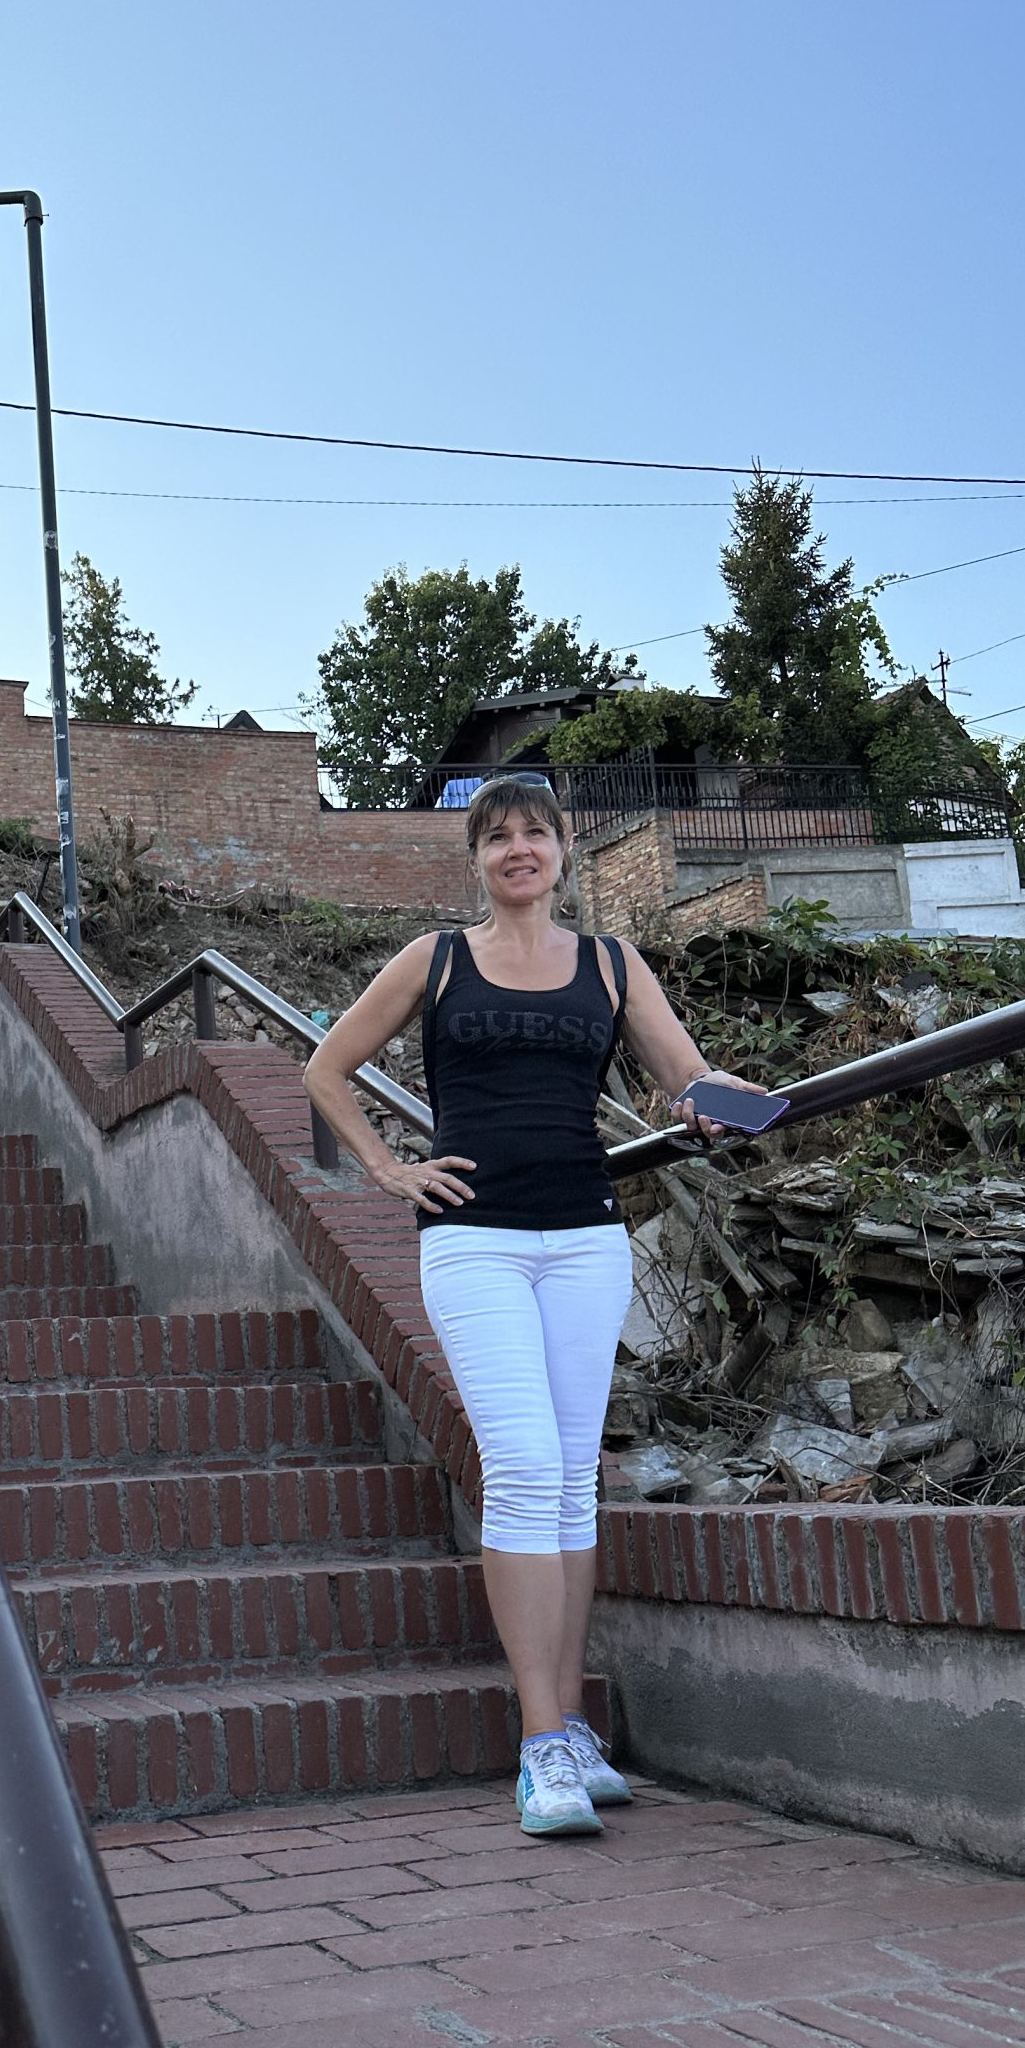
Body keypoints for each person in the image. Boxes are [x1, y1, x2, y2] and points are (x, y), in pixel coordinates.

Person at [304, 775, 762, 1837]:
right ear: (476, 857)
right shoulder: (435, 959)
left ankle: (570, 1726)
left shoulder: (612, 963)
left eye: (536, 833)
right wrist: (388, 1167)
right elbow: (326, 1069)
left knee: (568, 1483)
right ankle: (539, 1742)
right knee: (518, 1466)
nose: (519, 849)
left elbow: (685, 1076)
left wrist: (722, 1103)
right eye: (498, 836)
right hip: (475, 1242)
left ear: (563, 852)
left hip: (586, 1239)